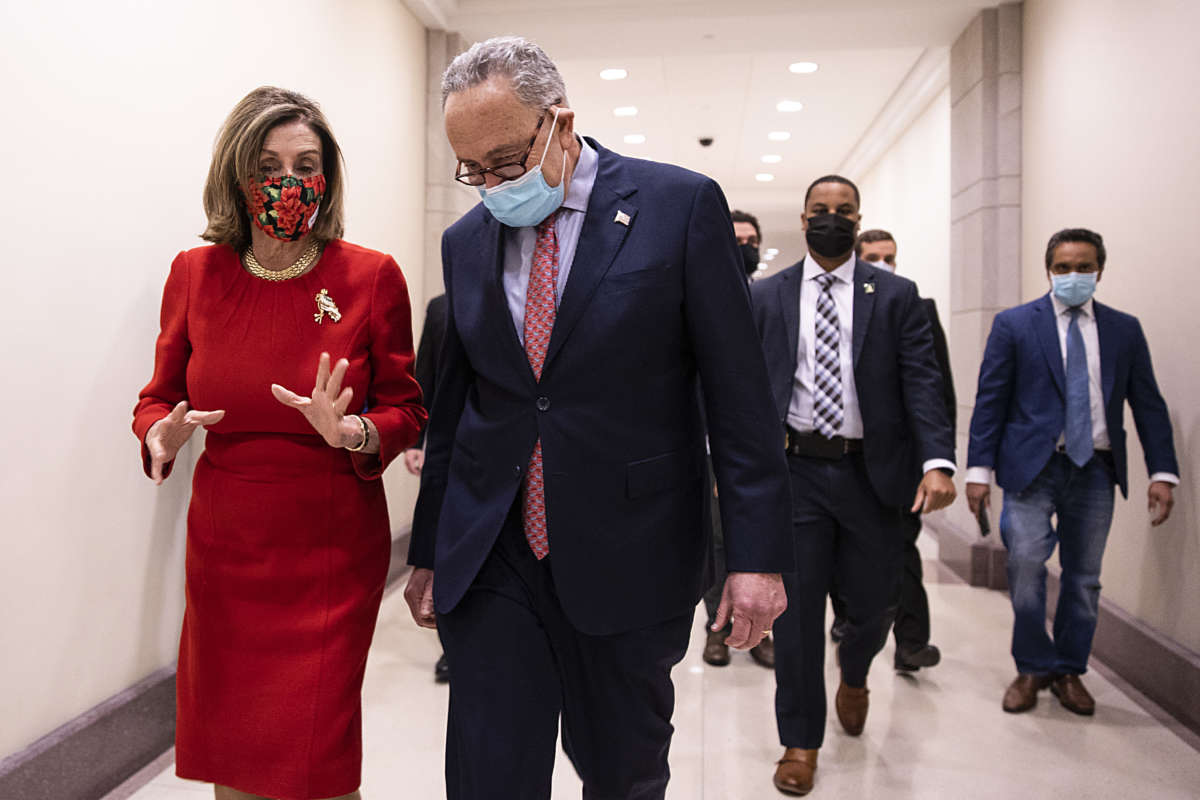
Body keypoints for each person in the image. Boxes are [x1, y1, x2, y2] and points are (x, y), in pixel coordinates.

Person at [403, 36, 792, 800]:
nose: (490, 185)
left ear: (561, 122)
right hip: (494, 552)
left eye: (507, 162)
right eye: (470, 171)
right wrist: (427, 550)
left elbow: (739, 399)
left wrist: (756, 558)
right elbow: (455, 411)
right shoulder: (464, 242)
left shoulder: (677, 206)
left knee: (623, 773)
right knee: (488, 775)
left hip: (630, 548)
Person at [132, 86, 426, 800]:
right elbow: (157, 397)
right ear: (238, 175)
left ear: (327, 177)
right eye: (269, 164)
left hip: (327, 549)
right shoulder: (196, 275)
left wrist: (351, 430)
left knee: (313, 755)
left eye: (305, 164)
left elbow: (408, 413)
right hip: (227, 551)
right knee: (235, 753)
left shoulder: (371, 276)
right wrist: (163, 433)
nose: (287, 182)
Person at [750, 176, 956, 796]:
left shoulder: (896, 296)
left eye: (843, 212)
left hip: (874, 475)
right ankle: (800, 742)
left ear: (858, 218)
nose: (831, 219)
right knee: (797, 615)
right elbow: (747, 389)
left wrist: (938, 461)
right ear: (805, 216)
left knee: (873, 608)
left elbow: (923, 381)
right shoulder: (767, 297)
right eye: (821, 211)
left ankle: (857, 672)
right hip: (798, 473)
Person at [966, 228, 1179, 716]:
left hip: (1095, 470)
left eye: (1084, 267)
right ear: (1049, 270)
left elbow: (1147, 405)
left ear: (1100, 270)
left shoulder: (1124, 330)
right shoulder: (1015, 325)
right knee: (1023, 568)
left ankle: (1069, 670)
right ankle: (1031, 665)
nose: (1073, 276)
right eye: (1063, 268)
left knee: (1083, 579)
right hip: (1031, 469)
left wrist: (1163, 472)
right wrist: (978, 470)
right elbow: (990, 401)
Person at [826, 230, 953, 673]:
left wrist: (936, 460)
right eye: (874, 257)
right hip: (842, 458)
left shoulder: (915, 306)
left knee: (902, 552)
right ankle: (849, 622)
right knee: (845, 554)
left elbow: (935, 388)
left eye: (890, 257)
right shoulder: (831, 308)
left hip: (899, 464)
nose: (884, 264)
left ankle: (912, 641)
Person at [703, 208, 774, 668]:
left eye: (751, 240)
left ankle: (761, 631)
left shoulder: (775, 302)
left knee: (761, 542)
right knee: (715, 541)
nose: (743, 247)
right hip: (708, 446)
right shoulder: (700, 297)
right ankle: (717, 629)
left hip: (765, 447)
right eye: (735, 239)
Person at [404, 294, 452, 684]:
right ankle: (451, 648)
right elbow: (425, 381)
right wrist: (415, 443)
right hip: (450, 453)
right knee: (447, 549)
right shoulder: (439, 309)